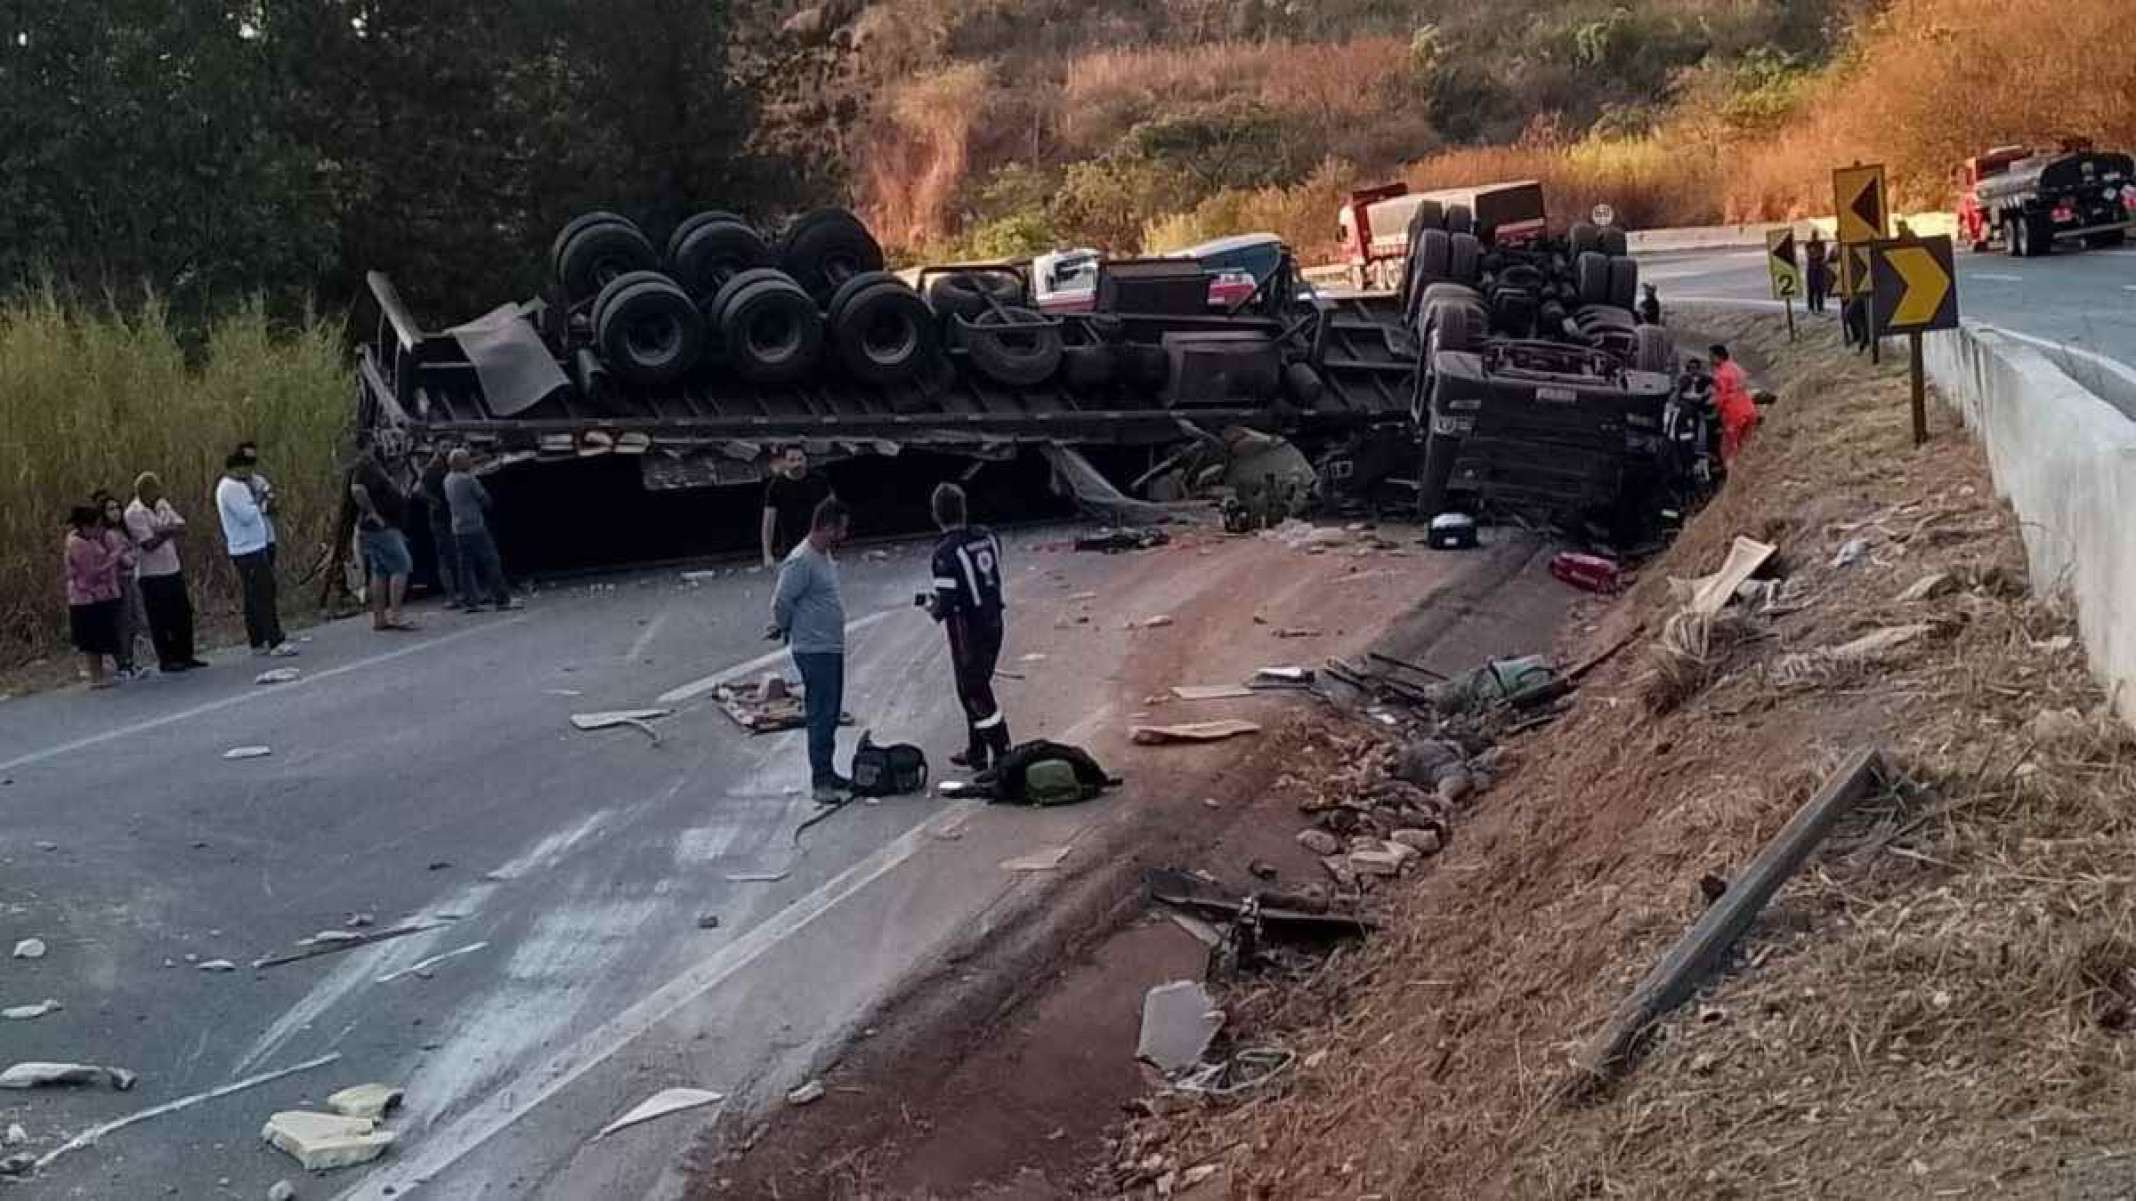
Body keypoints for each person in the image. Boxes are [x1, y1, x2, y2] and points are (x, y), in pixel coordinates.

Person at [770, 497, 853, 802]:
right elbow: (781, 602)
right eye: (840, 530)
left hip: (829, 646)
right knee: (820, 713)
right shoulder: (801, 561)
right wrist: (787, 627)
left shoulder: (823, 556)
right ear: (827, 527)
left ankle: (828, 772)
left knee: (830, 713)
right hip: (814, 649)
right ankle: (821, 781)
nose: (843, 536)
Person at [926, 483, 1012, 771]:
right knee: (978, 683)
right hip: (994, 619)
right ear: (963, 509)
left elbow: (947, 602)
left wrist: (932, 607)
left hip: (967, 629)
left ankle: (1002, 752)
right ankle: (977, 751)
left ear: (936, 515)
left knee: (973, 690)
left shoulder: (944, 553)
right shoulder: (987, 536)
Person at [125, 473, 206, 672]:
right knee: (160, 618)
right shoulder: (134, 513)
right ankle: (167, 658)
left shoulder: (162, 504)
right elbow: (148, 544)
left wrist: (164, 530)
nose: (157, 494)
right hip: (150, 572)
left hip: (172, 566)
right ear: (142, 492)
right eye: (152, 490)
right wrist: (168, 531)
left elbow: (181, 526)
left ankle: (185, 654)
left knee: (182, 613)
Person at [217, 451, 296, 657]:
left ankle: (258, 638)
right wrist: (259, 498)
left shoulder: (240, 486)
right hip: (247, 548)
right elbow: (247, 515)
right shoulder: (231, 488)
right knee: (263, 594)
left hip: (254, 544)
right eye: (246, 468)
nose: (249, 473)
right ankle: (274, 640)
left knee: (255, 595)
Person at [443, 448, 519, 611]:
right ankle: (502, 599)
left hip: (458, 528)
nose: (470, 461)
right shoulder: (468, 479)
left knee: (466, 567)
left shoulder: (448, 479)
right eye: (467, 459)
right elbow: (485, 500)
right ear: (460, 462)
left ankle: (470, 601)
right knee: (491, 561)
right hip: (475, 526)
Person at [64, 505, 128, 688]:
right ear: (85, 526)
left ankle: (101, 674)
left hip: (97, 595)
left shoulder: (90, 540)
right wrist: (113, 559)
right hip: (85, 597)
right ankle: (95, 676)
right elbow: (90, 572)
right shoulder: (78, 544)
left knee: (99, 637)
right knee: (91, 639)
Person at [352, 456, 418, 631]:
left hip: (379, 528)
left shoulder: (378, 471)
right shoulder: (366, 465)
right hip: (381, 528)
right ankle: (396, 615)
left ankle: (379, 617)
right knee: (402, 566)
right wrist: (373, 513)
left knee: (379, 570)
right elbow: (357, 489)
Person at [94, 490, 146, 678]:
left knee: (133, 621)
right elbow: (125, 559)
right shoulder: (108, 535)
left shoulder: (122, 531)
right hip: (119, 581)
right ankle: (122, 662)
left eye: (117, 508)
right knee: (123, 622)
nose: (115, 512)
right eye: (110, 509)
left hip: (130, 579)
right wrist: (130, 554)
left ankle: (130, 660)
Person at [761, 445, 832, 570]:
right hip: (790, 547)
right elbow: (768, 522)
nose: (797, 464)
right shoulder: (776, 486)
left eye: (800, 459)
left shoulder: (818, 481)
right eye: (792, 460)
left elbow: (830, 512)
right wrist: (767, 554)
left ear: (805, 460)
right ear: (785, 462)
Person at [416, 445, 463, 608]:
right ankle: (452, 595)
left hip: (450, 516)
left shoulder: (449, 465)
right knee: (446, 557)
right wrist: (435, 502)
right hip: (440, 519)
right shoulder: (434, 468)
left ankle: (463, 592)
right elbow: (419, 490)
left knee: (457, 555)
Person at [1710, 344, 1758, 464]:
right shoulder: (1736, 368)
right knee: (1746, 444)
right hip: (1749, 410)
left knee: (1728, 450)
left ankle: (1733, 479)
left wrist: (1715, 412)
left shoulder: (1720, 374)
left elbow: (1721, 397)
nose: (1710, 360)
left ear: (1718, 357)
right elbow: (1744, 382)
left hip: (1733, 414)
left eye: (1711, 357)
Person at [235, 441, 278, 568]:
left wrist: (267, 503)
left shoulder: (260, 480)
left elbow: (273, 506)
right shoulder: (232, 486)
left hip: (267, 539)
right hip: (248, 545)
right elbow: (243, 513)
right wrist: (260, 501)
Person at [1805, 230, 1830, 315]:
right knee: (1811, 289)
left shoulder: (1821, 244)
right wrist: (1816, 256)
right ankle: (1811, 307)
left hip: (1819, 268)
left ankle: (1820, 307)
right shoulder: (1809, 244)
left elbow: (1821, 254)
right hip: (1812, 268)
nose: (1814, 236)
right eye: (1813, 235)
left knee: (1819, 289)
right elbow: (1810, 255)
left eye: (1815, 235)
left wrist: (1816, 256)